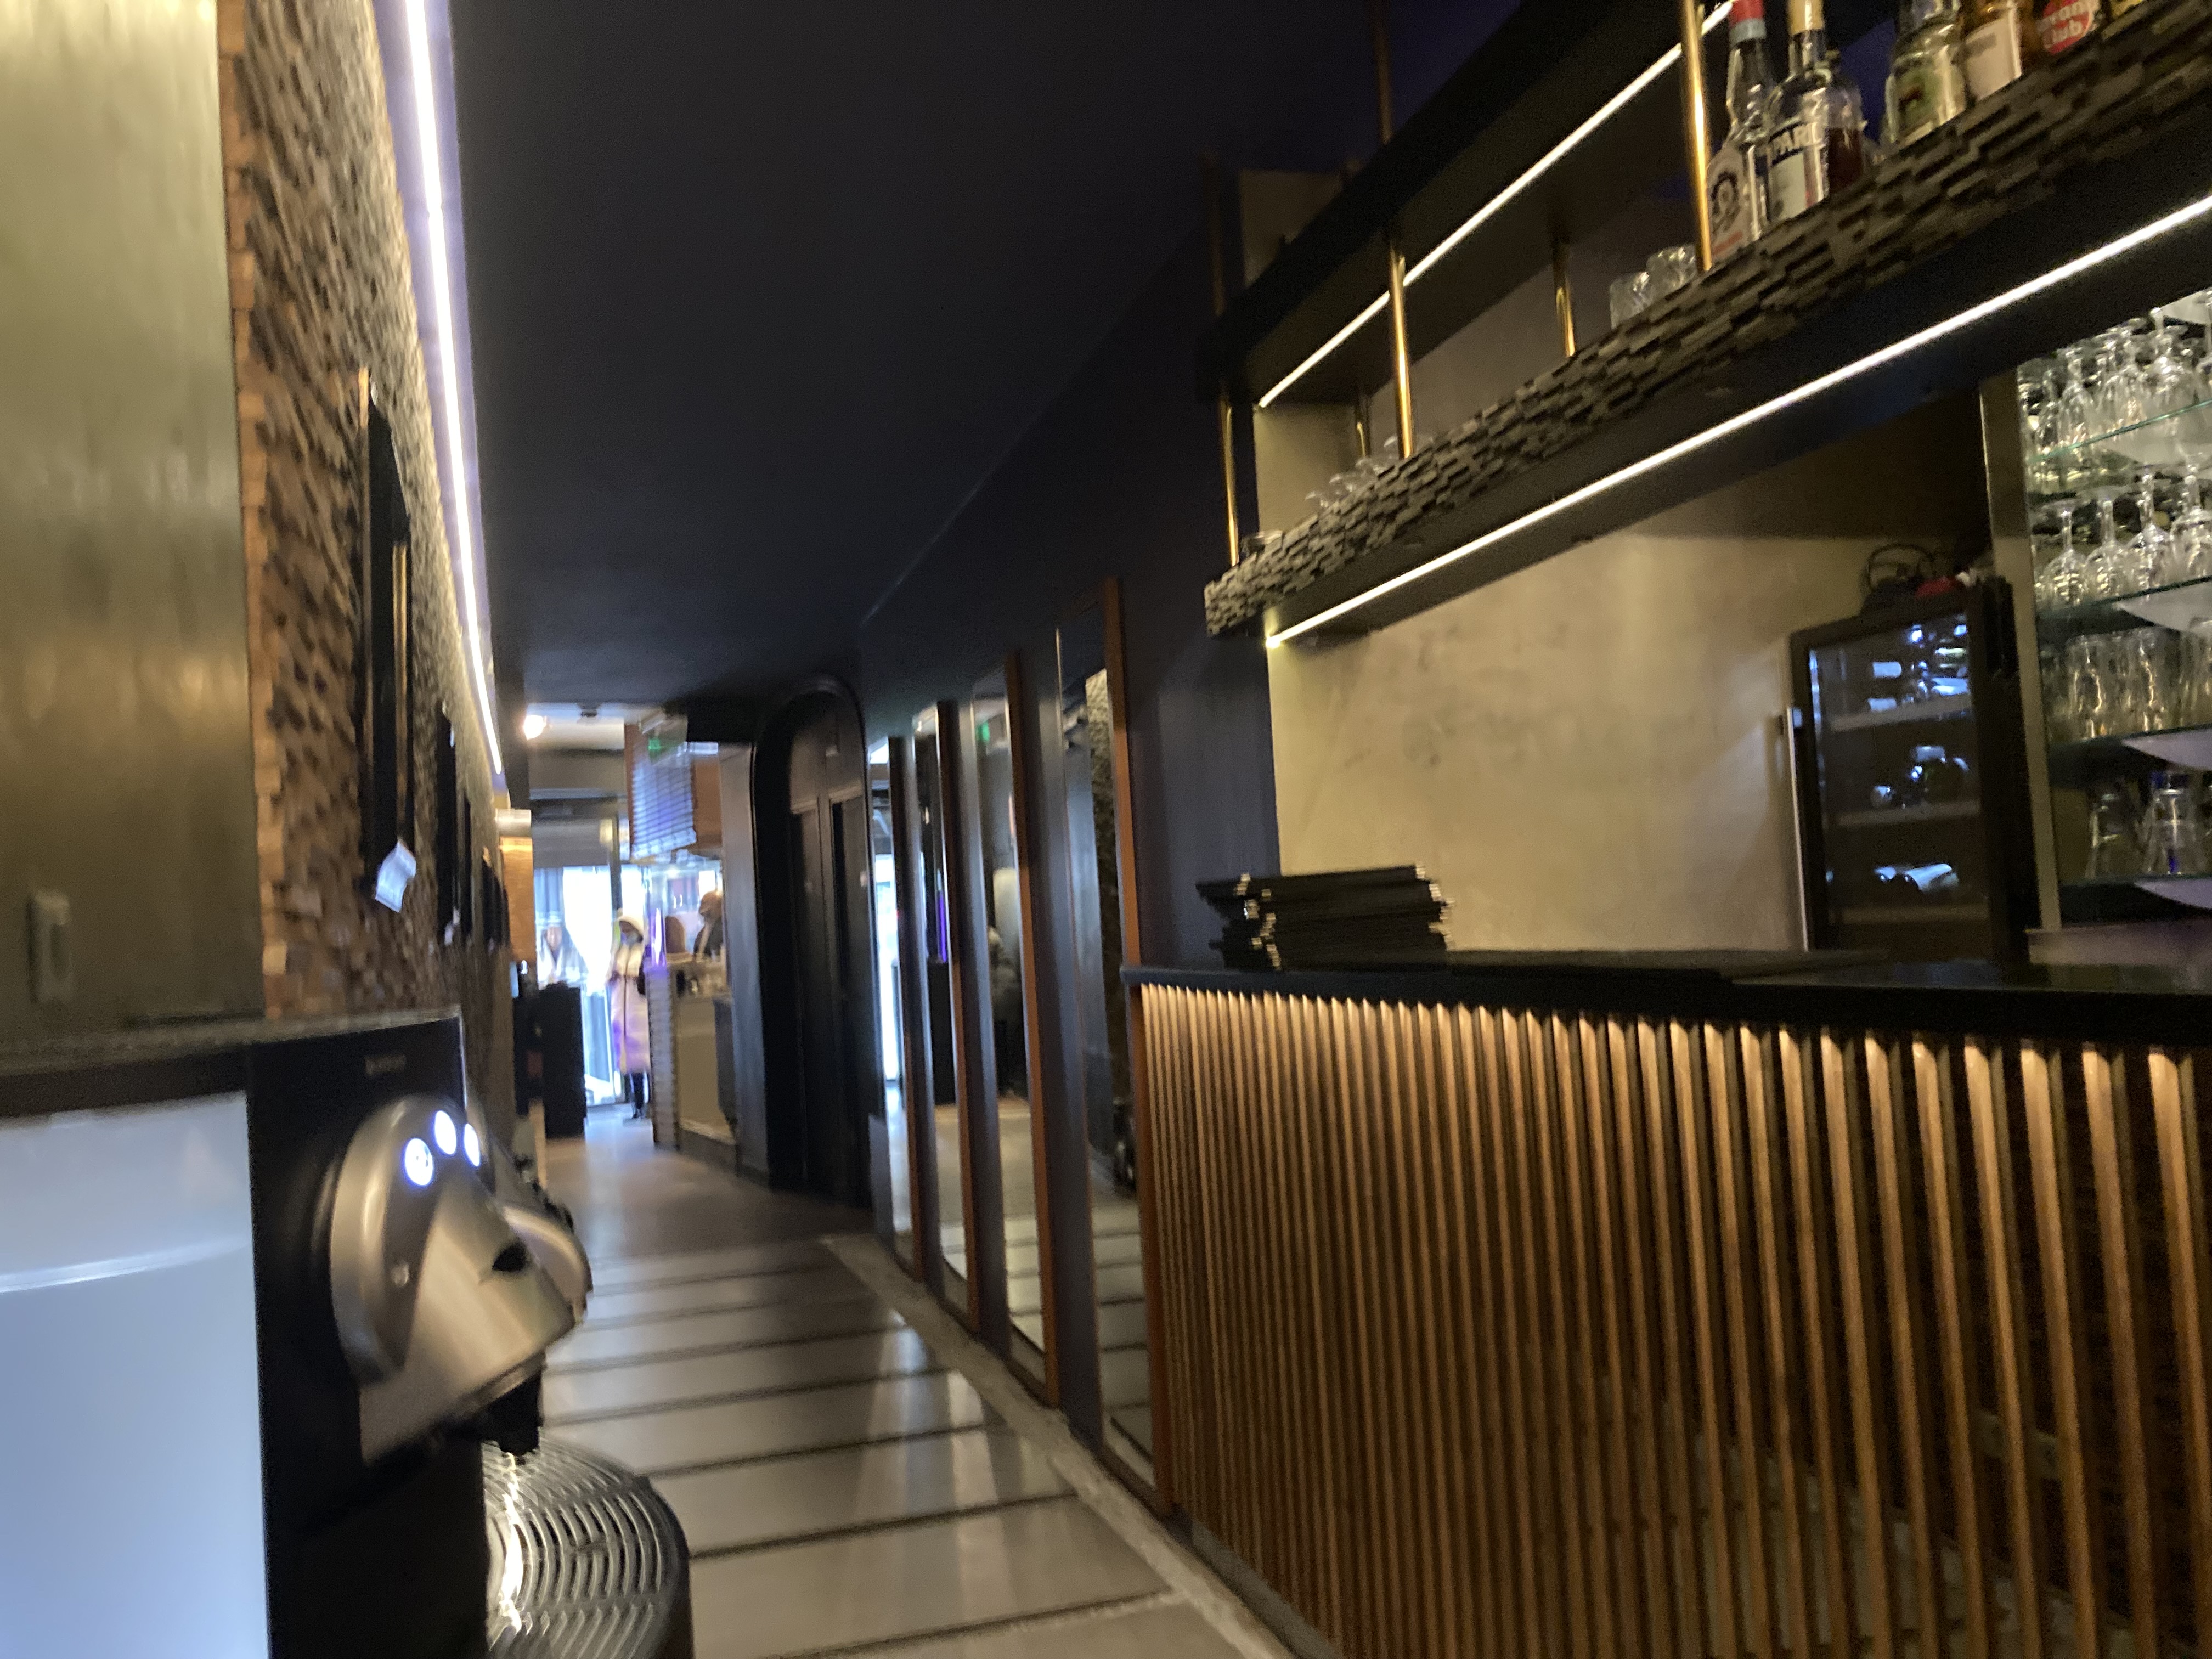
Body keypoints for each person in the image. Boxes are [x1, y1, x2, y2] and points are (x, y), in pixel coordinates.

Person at [608, 913, 652, 1119]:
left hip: (640, 1013)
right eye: (623, 930)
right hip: (624, 1013)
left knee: (647, 1059)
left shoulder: (646, 951)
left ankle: (653, 1103)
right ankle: (638, 1105)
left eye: (629, 929)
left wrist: (634, 977)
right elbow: (609, 976)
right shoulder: (620, 951)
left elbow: (648, 979)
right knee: (632, 1061)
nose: (626, 934)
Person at [538, 921, 586, 989]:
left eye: (557, 931)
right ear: (546, 934)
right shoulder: (539, 956)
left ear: (562, 933)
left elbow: (585, 980)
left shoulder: (576, 955)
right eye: (551, 932)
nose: (554, 937)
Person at [693, 889, 726, 960]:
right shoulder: (703, 931)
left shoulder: (723, 929)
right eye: (703, 903)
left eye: (707, 903)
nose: (703, 907)